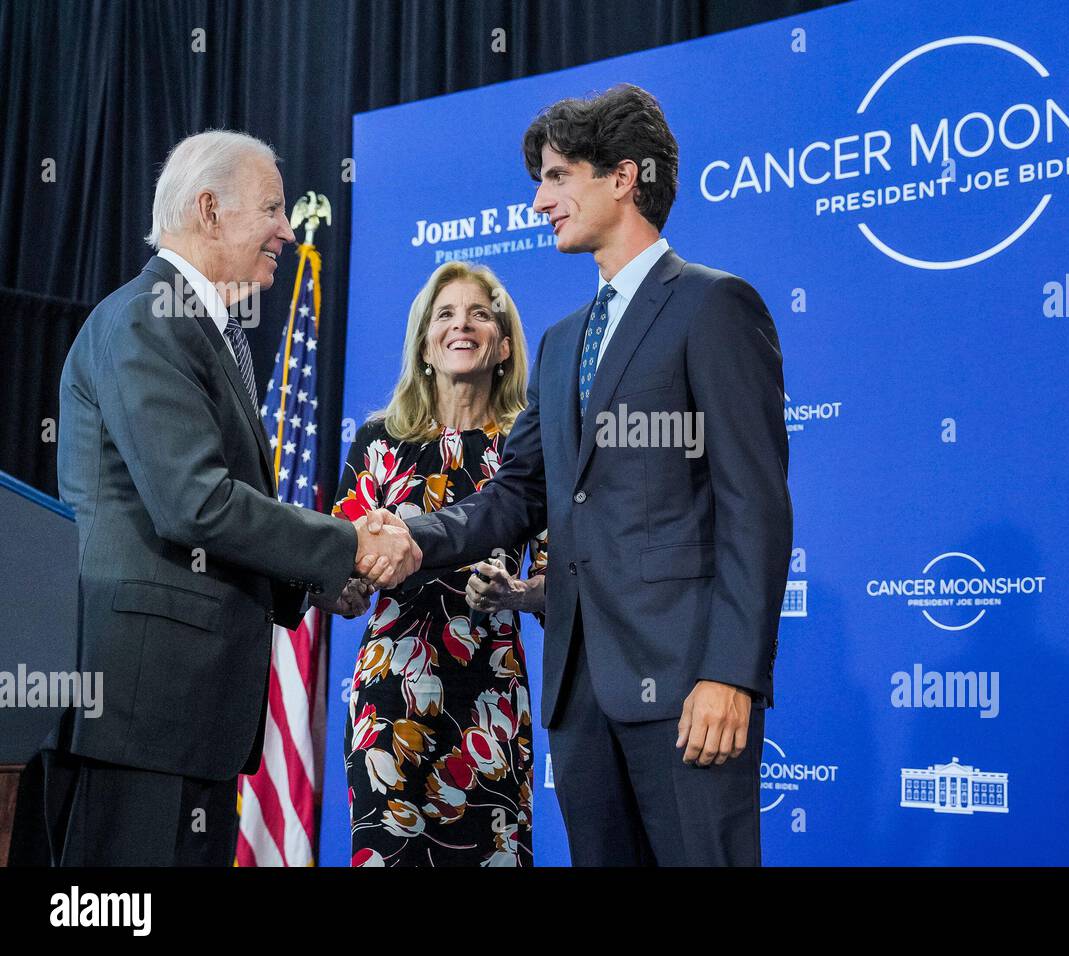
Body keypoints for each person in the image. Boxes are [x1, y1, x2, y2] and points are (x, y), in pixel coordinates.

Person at [367, 84, 792, 866]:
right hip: (580, 695)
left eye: (558, 176)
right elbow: (515, 496)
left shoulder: (713, 306)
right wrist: (411, 534)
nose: (539, 201)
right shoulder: (562, 344)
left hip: (687, 684)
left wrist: (732, 674)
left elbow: (754, 506)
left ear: (623, 177)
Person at [49, 129, 420, 867]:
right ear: (210, 210)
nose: (288, 229)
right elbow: (193, 502)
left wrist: (315, 580)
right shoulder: (149, 318)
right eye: (273, 209)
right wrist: (350, 543)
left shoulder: (203, 329)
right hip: (142, 707)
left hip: (189, 710)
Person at [335, 261, 546, 867]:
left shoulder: (529, 446)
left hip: (490, 695)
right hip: (389, 694)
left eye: (480, 313)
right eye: (445, 314)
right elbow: (339, 559)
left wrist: (517, 594)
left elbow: (561, 583)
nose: (462, 325)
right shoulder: (378, 439)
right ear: (425, 343)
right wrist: (340, 588)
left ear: (504, 345)